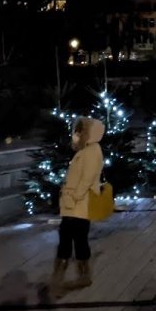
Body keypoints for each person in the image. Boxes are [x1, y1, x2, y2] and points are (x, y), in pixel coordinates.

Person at [52, 117, 105, 294]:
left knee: (70, 239)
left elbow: (87, 178)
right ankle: (80, 276)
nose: (76, 135)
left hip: (78, 205)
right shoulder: (88, 150)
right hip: (74, 205)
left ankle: (60, 280)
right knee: (72, 239)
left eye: (79, 131)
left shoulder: (92, 152)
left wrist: (74, 196)